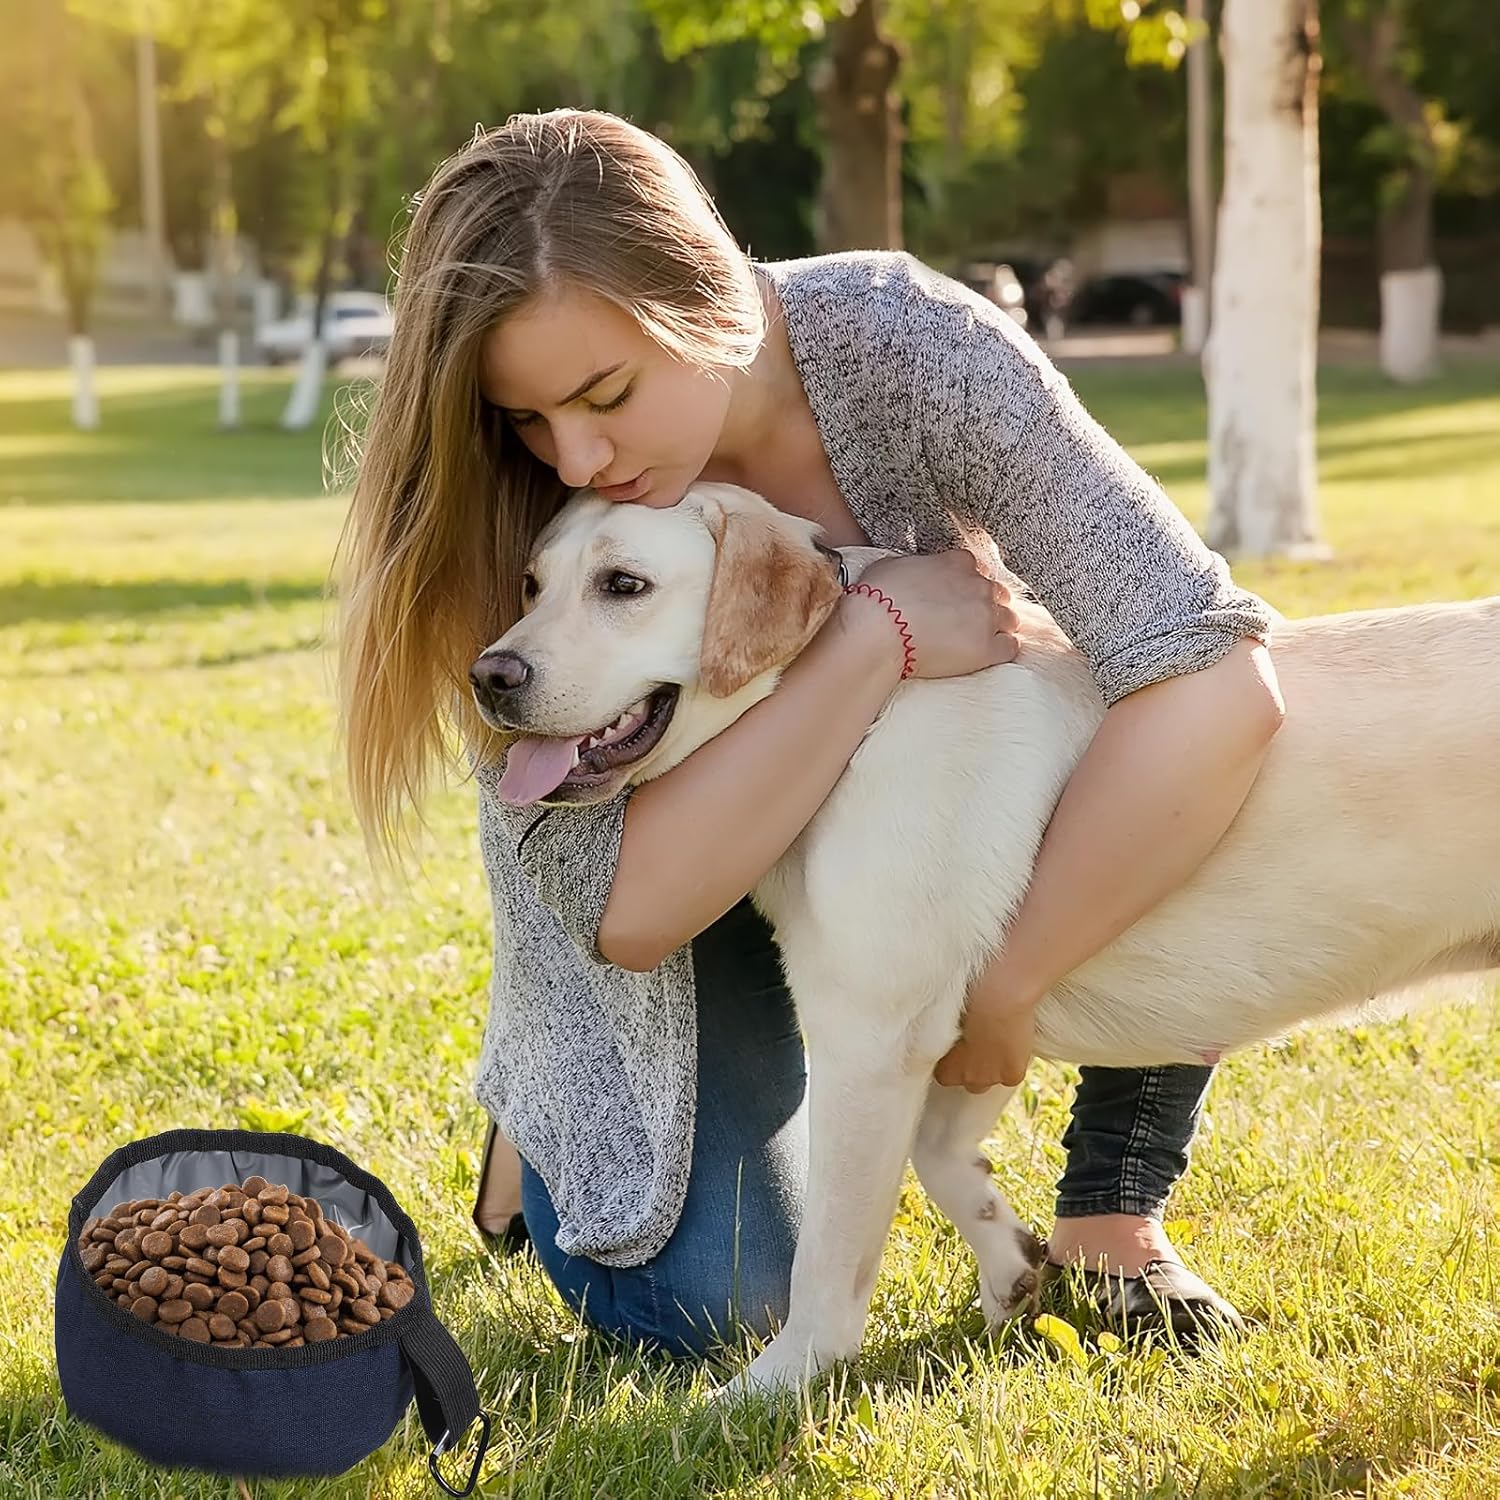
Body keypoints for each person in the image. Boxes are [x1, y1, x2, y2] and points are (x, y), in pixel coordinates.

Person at [336, 108, 1283, 1358]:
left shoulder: (909, 350)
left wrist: (1012, 982)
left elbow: (1205, 669)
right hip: (672, 925)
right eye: (528, 419)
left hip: (941, 830)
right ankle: (547, 1097)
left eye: (604, 393)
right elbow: (630, 913)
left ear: (713, 299)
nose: (577, 455)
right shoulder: (519, 503)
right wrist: (874, 633)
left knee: (1160, 742)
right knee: (721, 1305)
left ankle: (1112, 1207)